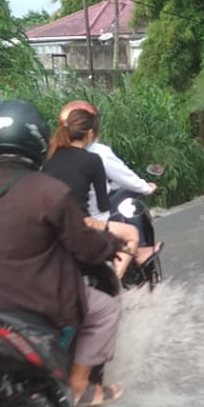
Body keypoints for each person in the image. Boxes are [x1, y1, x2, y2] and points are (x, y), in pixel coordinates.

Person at [0, 100, 130, 407]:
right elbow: (84, 245)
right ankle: (79, 386)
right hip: (38, 301)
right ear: (37, 142)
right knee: (104, 310)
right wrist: (113, 245)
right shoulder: (50, 191)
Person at [42, 107, 146, 279]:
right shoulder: (93, 159)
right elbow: (103, 205)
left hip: (52, 226)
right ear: (90, 133)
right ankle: (114, 283)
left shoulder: (49, 160)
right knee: (131, 236)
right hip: (84, 225)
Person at [56, 100, 160, 270]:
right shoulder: (97, 155)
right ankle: (137, 253)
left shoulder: (53, 156)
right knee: (130, 216)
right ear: (90, 130)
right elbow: (123, 181)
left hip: (63, 223)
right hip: (90, 221)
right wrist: (146, 188)